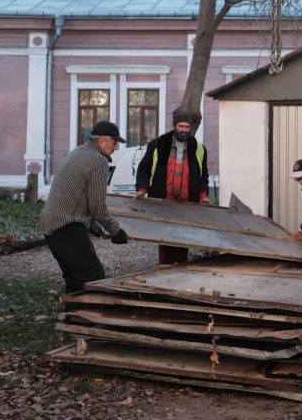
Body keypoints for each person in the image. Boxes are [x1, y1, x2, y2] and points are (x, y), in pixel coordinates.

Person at [38, 120, 129, 294]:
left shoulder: (78, 152)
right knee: (93, 278)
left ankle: (74, 319)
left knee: (74, 281)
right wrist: (115, 231)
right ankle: (92, 319)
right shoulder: (98, 162)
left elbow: (78, 196)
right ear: (102, 141)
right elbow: (97, 207)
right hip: (66, 227)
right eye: (115, 142)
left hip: (51, 225)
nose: (116, 148)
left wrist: (93, 226)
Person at [135, 111, 211, 265]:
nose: (184, 130)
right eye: (181, 126)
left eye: (187, 127)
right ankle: (165, 267)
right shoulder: (158, 144)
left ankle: (181, 268)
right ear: (174, 126)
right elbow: (144, 168)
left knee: (184, 237)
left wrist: (203, 195)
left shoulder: (199, 148)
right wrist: (142, 189)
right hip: (163, 201)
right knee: (166, 237)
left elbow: (204, 175)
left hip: (187, 203)